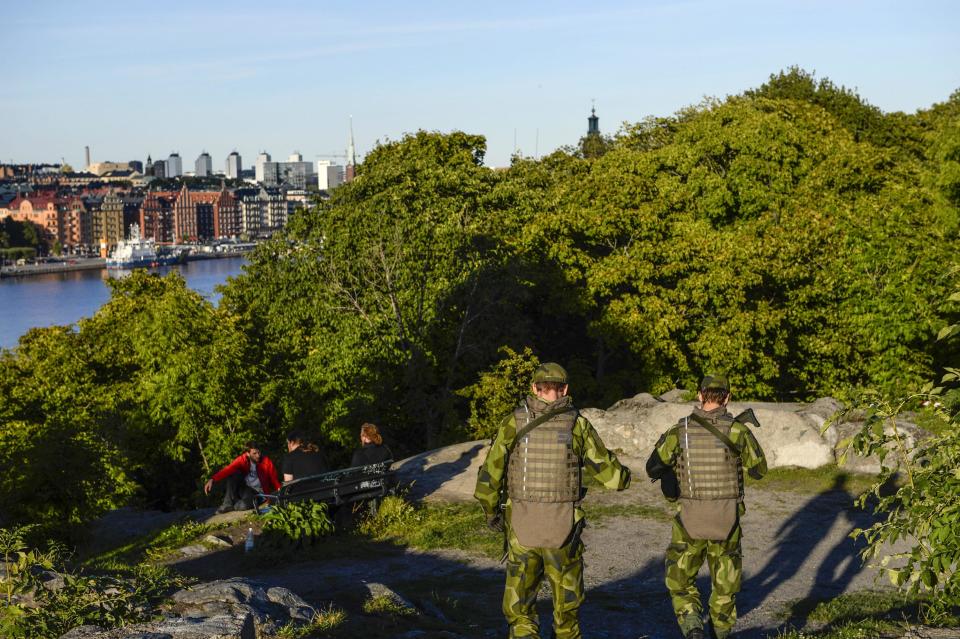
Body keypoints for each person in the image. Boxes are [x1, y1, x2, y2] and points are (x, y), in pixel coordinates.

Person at [474, 362, 631, 639]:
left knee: (520, 611)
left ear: (534, 388)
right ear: (565, 389)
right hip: (563, 530)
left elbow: (490, 475)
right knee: (566, 614)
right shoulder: (578, 425)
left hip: (521, 529)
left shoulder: (513, 422)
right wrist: (627, 474)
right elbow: (614, 479)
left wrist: (491, 513)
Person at [645, 375, 768, 639]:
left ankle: (692, 625)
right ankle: (720, 632)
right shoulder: (738, 431)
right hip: (727, 520)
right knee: (725, 584)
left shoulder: (681, 430)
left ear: (700, 396)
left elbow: (652, 465)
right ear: (728, 397)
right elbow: (759, 470)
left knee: (680, 579)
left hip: (689, 519)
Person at [204, 441, 281, 513]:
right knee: (233, 474)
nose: (258, 455)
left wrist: (280, 493)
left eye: (259, 452)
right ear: (247, 453)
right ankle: (227, 504)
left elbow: (274, 479)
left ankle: (236, 505)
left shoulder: (266, 461)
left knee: (243, 505)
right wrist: (212, 479)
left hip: (259, 494)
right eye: (254, 453)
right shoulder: (242, 460)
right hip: (246, 490)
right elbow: (227, 469)